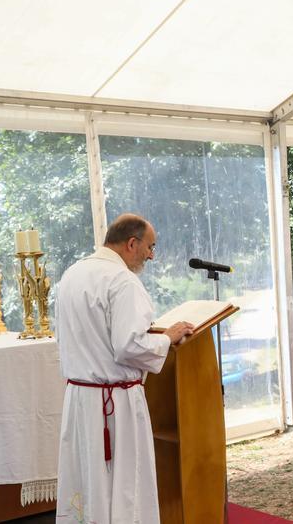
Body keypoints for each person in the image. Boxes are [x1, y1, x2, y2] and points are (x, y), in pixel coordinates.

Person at [54, 214, 195, 522]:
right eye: (150, 246)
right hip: (115, 406)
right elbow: (128, 346)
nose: (151, 255)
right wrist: (167, 339)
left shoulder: (73, 274)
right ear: (132, 243)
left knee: (88, 481)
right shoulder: (122, 281)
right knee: (125, 485)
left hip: (80, 399)